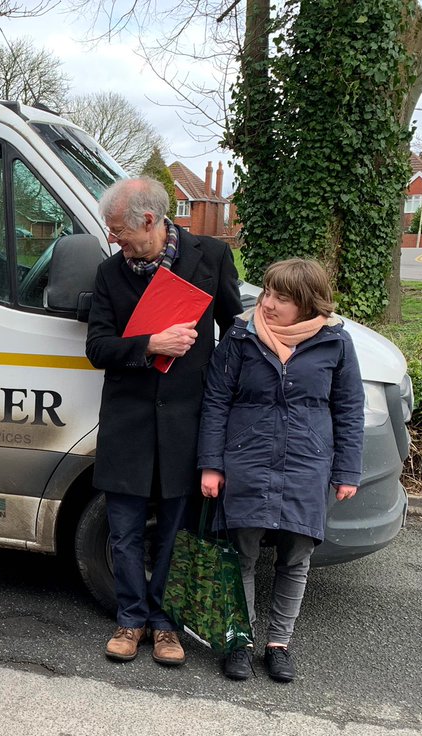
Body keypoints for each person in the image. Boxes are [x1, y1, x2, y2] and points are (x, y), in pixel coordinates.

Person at [85, 177, 242, 666]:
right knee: (125, 530)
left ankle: (167, 624)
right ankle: (131, 619)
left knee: (175, 530)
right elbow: (97, 348)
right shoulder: (110, 274)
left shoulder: (211, 256)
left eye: (118, 230)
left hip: (186, 423)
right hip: (128, 422)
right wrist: (151, 344)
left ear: (149, 221)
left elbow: (236, 332)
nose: (113, 238)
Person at [198, 258, 363, 683]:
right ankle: (240, 641)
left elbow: (348, 409)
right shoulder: (239, 336)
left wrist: (347, 470)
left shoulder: (335, 343)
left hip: (307, 464)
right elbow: (216, 401)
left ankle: (278, 644)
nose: (267, 304)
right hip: (246, 460)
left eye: (281, 298)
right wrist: (211, 464)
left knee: (296, 556)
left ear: (307, 304)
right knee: (242, 554)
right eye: (268, 293)